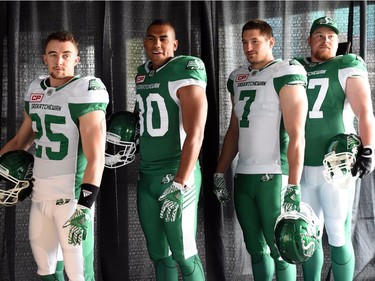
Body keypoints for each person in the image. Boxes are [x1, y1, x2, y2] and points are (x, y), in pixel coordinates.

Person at [0, 30, 109, 281]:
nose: (59, 61)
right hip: (40, 197)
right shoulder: (37, 89)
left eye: (65, 55)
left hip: (71, 200)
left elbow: (96, 157)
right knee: (47, 272)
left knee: (79, 275)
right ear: (44, 58)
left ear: (77, 60)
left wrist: (84, 207)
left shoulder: (85, 90)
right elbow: (20, 141)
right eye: (53, 55)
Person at [213, 19, 308, 280]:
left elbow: (297, 134)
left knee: (281, 249)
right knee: (255, 250)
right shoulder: (238, 77)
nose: (248, 47)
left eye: (255, 41)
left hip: (274, 176)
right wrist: (220, 171)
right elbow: (234, 130)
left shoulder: (285, 72)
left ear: (270, 41)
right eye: (245, 42)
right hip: (243, 175)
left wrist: (293, 184)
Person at [295, 16, 375, 281]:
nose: (325, 39)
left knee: (338, 235)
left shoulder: (346, 64)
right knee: (308, 236)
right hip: (301, 166)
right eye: (319, 35)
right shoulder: (296, 69)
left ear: (337, 40)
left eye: (330, 35)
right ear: (309, 40)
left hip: (336, 167)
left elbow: (365, 112)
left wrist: (368, 149)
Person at [134, 19, 207, 280]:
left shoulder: (185, 69)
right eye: (151, 38)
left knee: (184, 254)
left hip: (176, 175)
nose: (157, 44)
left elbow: (195, 133)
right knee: (159, 254)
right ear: (145, 41)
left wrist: (180, 182)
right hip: (147, 177)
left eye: (164, 38)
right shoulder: (142, 73)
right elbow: (143, 121)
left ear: (174, 44)